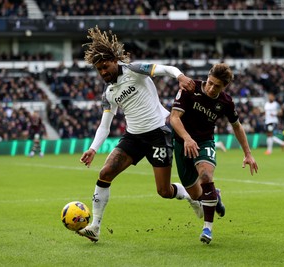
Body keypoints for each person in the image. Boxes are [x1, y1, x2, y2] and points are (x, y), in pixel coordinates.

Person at [77, 26, 199, 242]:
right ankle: (95, 226)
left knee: (163, 191)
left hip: (158, 134)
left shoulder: (135, 69)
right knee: (105, 173)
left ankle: (190, 196)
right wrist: (93, 149)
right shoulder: (109, 93)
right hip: (133, 138)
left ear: (115, 60)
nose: (103, 72)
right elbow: (105, 125)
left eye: (105, 66)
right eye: (99, 70)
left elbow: (167, 68)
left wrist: (180, 76)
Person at [170, 63, 258, 244]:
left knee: (205, 175)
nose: (211, 88)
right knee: (196, 195)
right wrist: (187, 138)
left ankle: (207, 228)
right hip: (182, 143)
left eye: (217, 86)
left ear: (224, 87)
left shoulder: (226, 102)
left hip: (204, 142)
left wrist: (248, 154)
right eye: (210, 82)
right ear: (207, 77)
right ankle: (214, 196)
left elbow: (237, 126)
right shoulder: (190, 88)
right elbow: (174, 118)